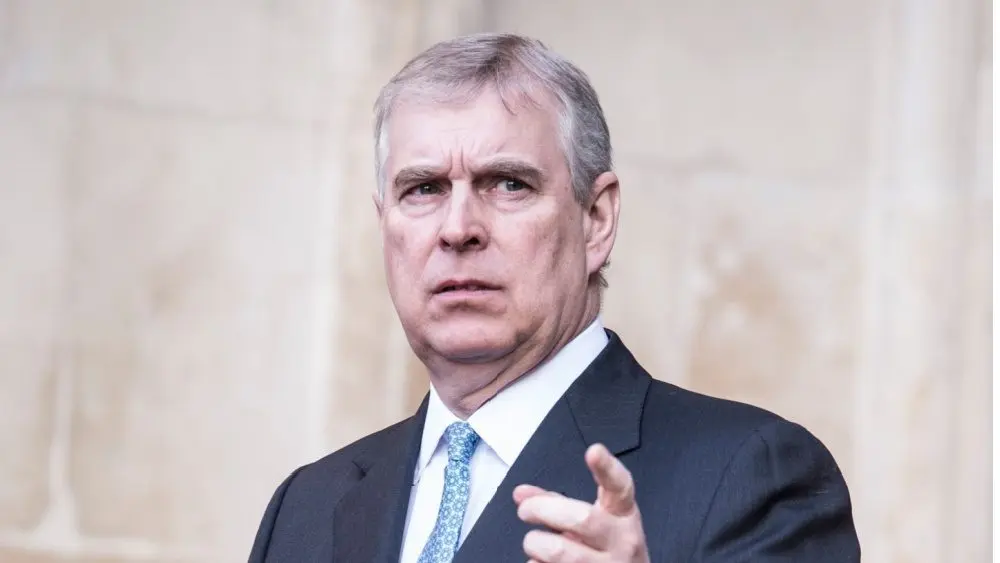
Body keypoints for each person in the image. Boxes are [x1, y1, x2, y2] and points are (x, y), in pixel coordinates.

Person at [248, 33, 860, 563]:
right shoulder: (306, 507)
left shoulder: (752, 476)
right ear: (384, 225)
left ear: (596, 219)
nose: (457, 228)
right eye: (424, 189)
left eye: (508, 184)